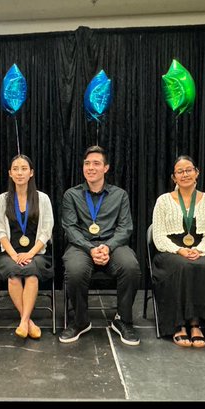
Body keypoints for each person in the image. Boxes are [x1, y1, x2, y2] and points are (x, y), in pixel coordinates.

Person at [59, 145, 141, 345]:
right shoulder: (72, 195)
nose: (91, 168)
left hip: (113, 246)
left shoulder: (120, 195)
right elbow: (70, 228)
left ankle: (123, 320)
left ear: (106, 168)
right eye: (87, 163)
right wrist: (91, 248)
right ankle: (80, 321)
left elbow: (125, 228)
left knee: (131, 267)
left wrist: (108, 247)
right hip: (82, 246)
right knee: (75, 270)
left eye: (96, 163)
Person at [151, 155, 205, 349]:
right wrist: (180, 250)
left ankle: (196, 324)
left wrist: (199, 250)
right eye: (180, 171)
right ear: (174, 178)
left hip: (199, 250)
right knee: (182, 267)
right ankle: (178, 324)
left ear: (197, 173)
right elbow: (158, 236)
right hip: (170, 252)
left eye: (188, 169)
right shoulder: (163, 201)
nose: (185, 174)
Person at [0, 154, 53, 340]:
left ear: (31, 173)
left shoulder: (42, 199)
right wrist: (14, 254)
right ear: (10, 173)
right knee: (14, 276)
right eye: (15, 169)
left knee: (32, 274)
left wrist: (30, 254)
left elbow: (46, 231)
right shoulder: (2, 200)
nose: (20, 173)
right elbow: (0, 231)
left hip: (37, 253)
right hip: (10, 254)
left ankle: (23, 321)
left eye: (24, 168)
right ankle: (28, 322)